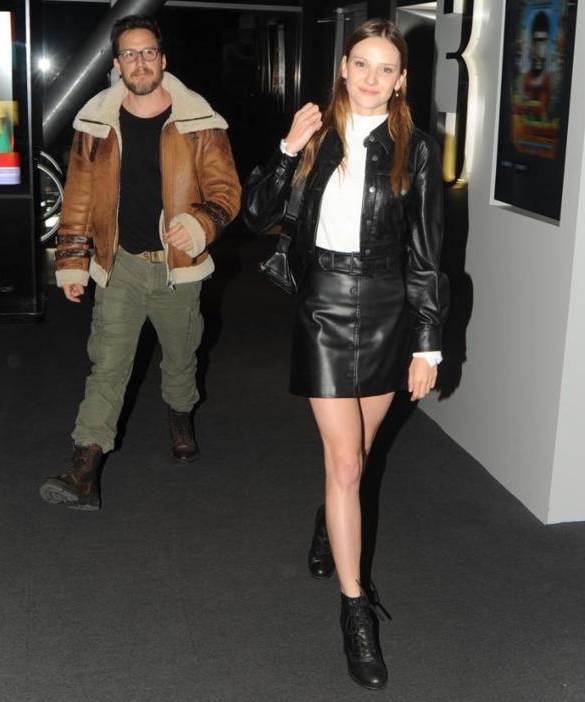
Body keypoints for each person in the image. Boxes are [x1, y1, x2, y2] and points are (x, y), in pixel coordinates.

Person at [243, 19, 447, 691]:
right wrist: (284, 148)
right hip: (325, 304)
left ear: (401, 80)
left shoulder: (417, 149)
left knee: (357, 455)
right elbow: (255, 216)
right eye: (361, 63)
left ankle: (329, 521)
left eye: (385, 68)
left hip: (388, 307)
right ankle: (355, 609)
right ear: (344, 67)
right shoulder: (314, 134)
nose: (370, 78)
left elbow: (427, 256)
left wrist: (428, 344)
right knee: (348, 462)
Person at [39, 15, 241, 511]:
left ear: (162, 59)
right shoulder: (95, 124)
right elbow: (79, 197)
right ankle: (83, 470)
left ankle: (180, 415)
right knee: (107, 366)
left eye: (148, 52)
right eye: (130, 54)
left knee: (181, 361)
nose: (140, 61)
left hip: (178, 272)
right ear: (117, 65)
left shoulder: (199, 121)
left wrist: (198, 224)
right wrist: (72, 262)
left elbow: (226, 192)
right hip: (121, 266)